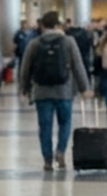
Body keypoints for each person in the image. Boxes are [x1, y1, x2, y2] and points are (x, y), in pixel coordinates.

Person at [19, 10, 90, 170]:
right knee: (65, 123)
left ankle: (47, 159)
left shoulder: (35, 43)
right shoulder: (68, 41)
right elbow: (78, 65)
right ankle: (60, 151)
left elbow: (25, 68)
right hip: (64, 91)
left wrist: (24, 88)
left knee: (45, 126)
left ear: (42, 25)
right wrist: (84, 88)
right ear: (58, 25)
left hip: (41, 92)